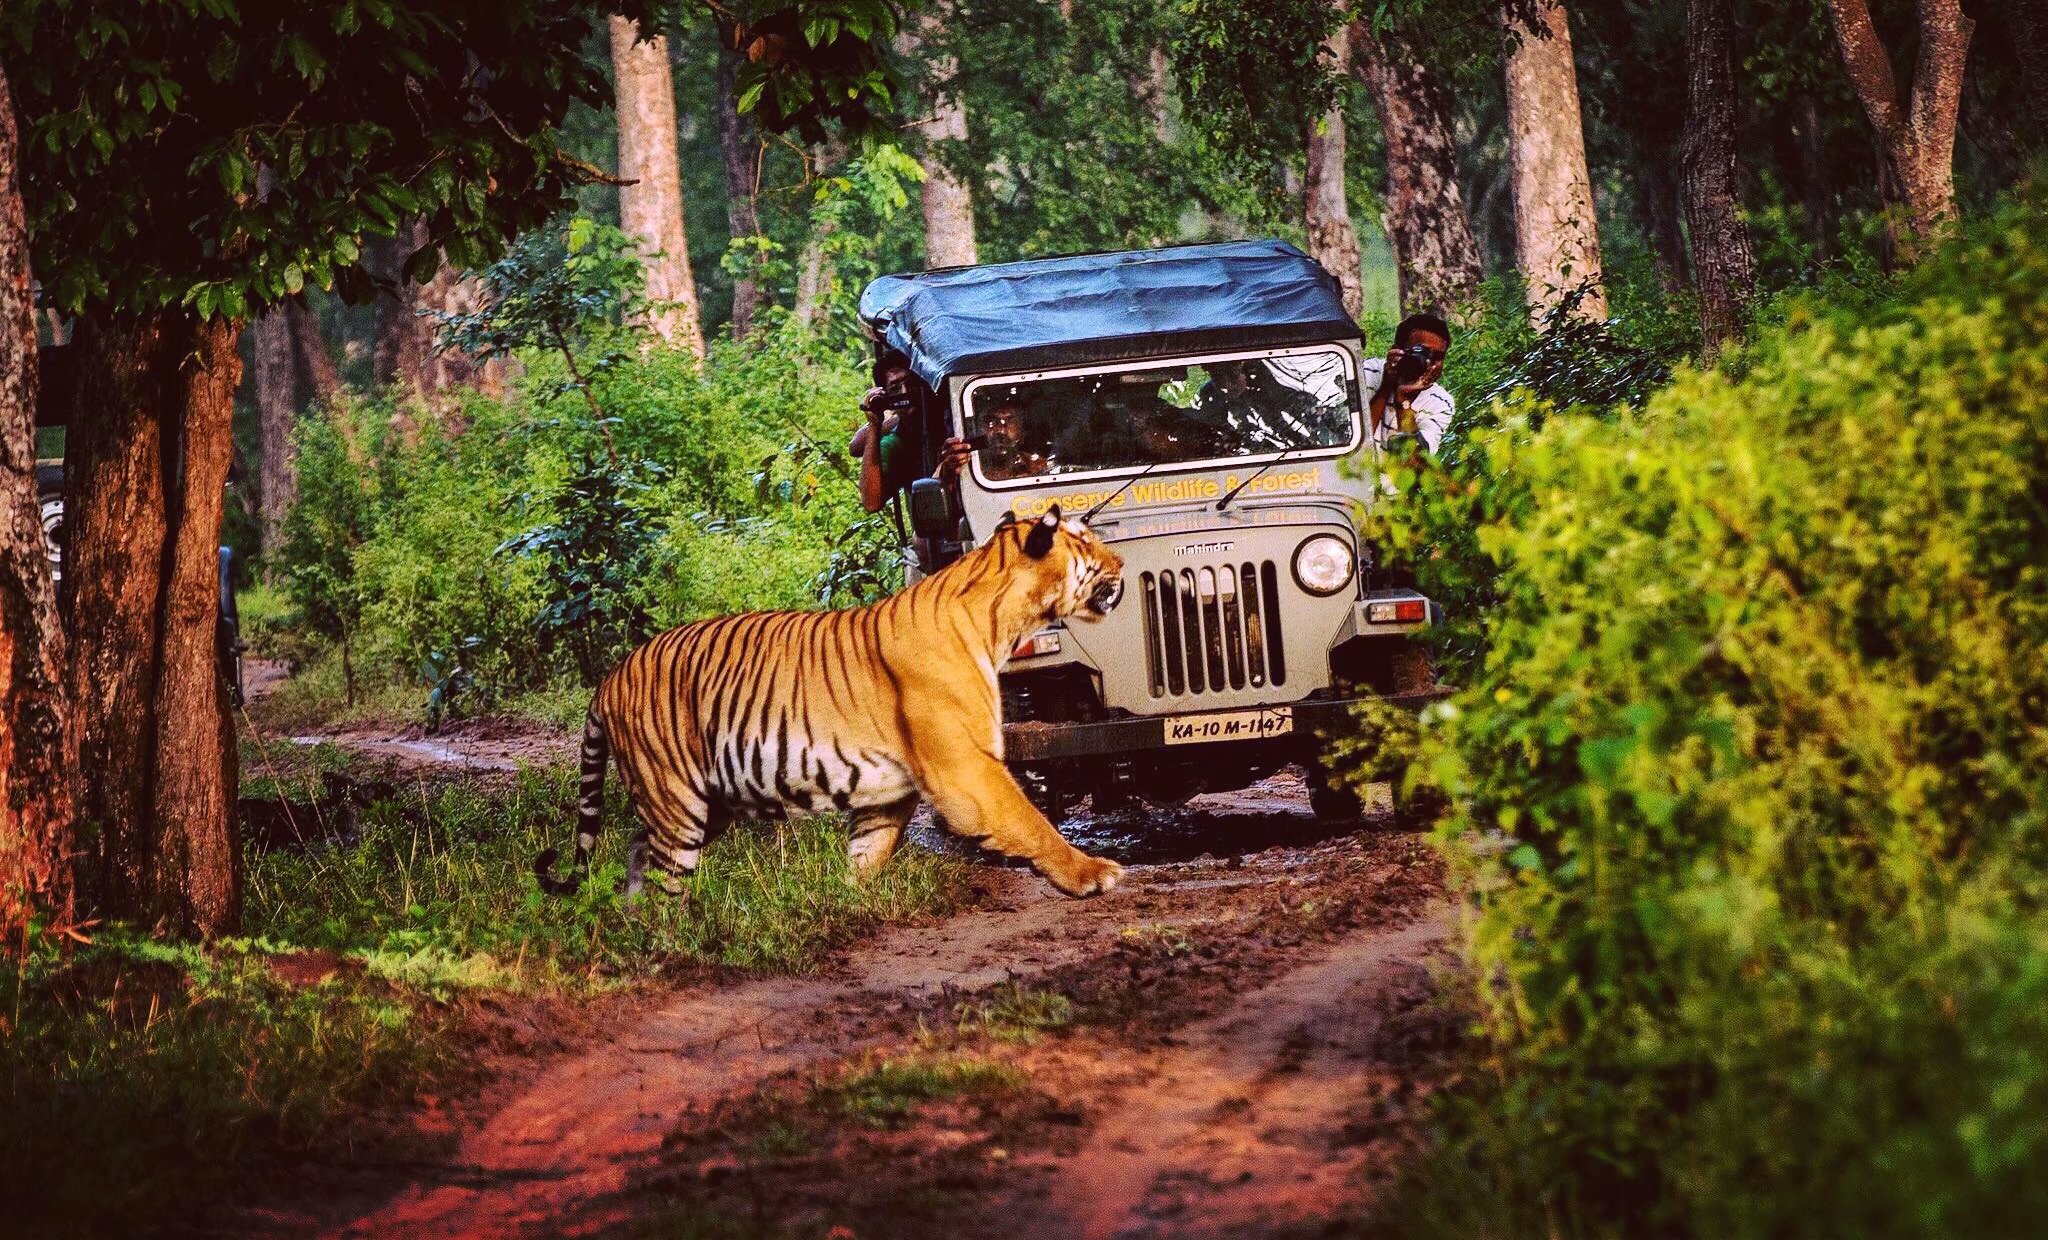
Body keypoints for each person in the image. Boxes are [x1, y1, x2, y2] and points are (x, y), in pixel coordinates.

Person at [848, 351, 976, 512]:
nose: (904, 392)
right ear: (887, 398)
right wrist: (874, 425)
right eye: (895, 388)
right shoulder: (896, 443)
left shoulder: (956, 412)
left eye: (911, 384)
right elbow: (871, 502)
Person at [1362, 313, 1456, 454]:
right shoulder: (1369, 372)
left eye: (1437, 358)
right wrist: (1385, 387)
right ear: (1397, 350)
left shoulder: (1440, 402)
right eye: (1421, 353)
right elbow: (1355, 444)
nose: (1428, 363)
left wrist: (1403, 399)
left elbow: (1413, 463)